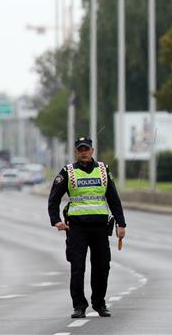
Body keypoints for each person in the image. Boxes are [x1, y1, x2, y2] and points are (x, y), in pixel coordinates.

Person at [48, 137, 126, 319]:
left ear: (92, 150)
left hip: (100, 228)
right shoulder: (68, 172)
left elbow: (114, 199)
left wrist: (121, 224)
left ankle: (99, 303)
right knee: (78, 268)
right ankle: (79, 306)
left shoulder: (103, 170)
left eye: (87, 149)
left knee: (102, 267)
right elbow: (53, 200)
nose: (84, 152)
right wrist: (56, 220)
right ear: (76, 152)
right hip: (77, 228)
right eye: (80, 149)